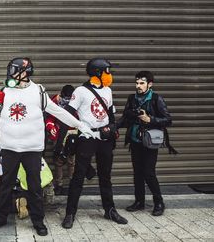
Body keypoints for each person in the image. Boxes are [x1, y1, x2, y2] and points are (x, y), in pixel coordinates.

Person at [0, 57, 96, 236]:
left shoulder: (38, 92)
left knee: (34, 186)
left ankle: (38, 221)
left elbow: (58, 111)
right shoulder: (5, 91)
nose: (11, 75)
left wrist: (80, 125)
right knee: (6, 185)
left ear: (25, 73)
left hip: (32, 149)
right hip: (10, 148)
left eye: (14, 72)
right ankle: (0, 218)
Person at [61, 58, 128, 229]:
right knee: (78, 177)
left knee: (105, 176)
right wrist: (79, 127)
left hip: (105, 139)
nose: (109, 74)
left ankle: (110, 209)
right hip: (87, 138)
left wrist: (113, 129)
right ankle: (70, 213)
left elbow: (111, 114)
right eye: (107, 71)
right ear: (98, 72)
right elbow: (68, 112)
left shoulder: (108, 91)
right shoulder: (81, 91)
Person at [117, 71, 176, 216]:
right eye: (137, 83)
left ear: (150, 84)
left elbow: (168, 120)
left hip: (150, 142)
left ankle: (159, 202)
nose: (138, 86)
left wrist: (151, 120)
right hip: (135, 140)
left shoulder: (156, 99)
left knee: (149, 173)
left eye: (142, 83)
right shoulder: (132, 98)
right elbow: (125, 117)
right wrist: (114, 127)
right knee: (137, 173)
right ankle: (139, 202)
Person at [45, 85, 97, 195]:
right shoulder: (55, 101)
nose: (67, 101)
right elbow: (50, 117)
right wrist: (51, 127)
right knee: (59, 161)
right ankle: (58, 185)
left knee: (71, 161)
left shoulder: (78, 102)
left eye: (70, 98)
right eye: (65, 98)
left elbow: (83, 118)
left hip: (74, 134)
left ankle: (73, 185)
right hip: (60, 134)